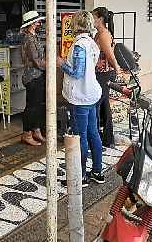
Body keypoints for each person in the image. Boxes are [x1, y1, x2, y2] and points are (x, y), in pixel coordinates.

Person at [59, 11, 105, 186]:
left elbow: (77, 73)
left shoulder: (79, 45)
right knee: (93, 133)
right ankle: (97, 171)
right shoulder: (91, 43)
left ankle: (81, 176)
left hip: (80, 97)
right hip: (92, 94)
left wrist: (61, 63)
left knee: (80, 136)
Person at [92, 7, 121, 148]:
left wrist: (117, 69)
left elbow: (110, 55)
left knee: (98, 103)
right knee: (104, 104)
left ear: (100, 19)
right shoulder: (99, 33)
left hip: (102, 73)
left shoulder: (103, 34)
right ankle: (107, 137)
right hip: (100, 72)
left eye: (93, 17)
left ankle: (101, 135)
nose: (92, 20)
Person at [20, 11, 47, 146]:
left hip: (38, 75)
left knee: (37, 105)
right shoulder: (29, 39)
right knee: (31, 106)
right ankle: (26, 133)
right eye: (36, 21)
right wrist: (52, 64)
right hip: (32, 77)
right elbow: (37, 61)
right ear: (31, 23)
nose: (39, 23)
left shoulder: (34, 36)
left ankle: (36, 130)